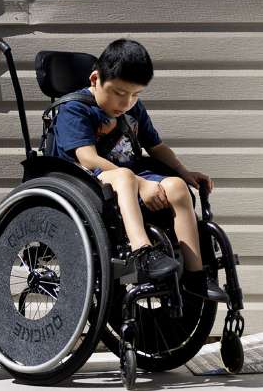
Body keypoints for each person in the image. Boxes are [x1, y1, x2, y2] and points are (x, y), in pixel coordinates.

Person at [50, 39, 227, 303]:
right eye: (119, 92)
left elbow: (156, 147)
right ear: (96, 79)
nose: (126, 102)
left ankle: (194, 275)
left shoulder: (133, 109)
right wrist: (141, 184)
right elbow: (87, 158)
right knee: (124, 177)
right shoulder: (74, 108)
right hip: (85, 180)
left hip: (129, 175)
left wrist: (184, 172)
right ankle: (142, 252)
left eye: (135, 94)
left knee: (177, 187)